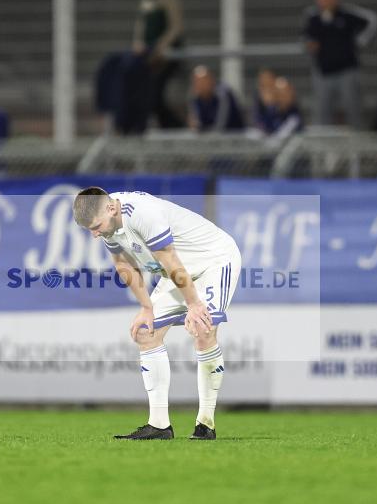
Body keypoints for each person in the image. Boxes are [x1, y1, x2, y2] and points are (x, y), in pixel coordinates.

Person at [72, 187, 242, 440]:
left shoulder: (142, 213)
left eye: (96, 227)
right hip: (176, 271)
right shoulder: (109, 221)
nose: (95, 234)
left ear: (111, 208)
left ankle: (205, 424)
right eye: (90, 230)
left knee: (203, 329)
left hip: (213, 262)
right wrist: (146, 308)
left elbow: (170, 258)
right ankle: (159, 425)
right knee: (145, 332)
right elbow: (123, 264)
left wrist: (194, 304)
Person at [303, 0, 377, 127]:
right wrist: (309, 45)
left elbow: (373, 20)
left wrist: (361, 40)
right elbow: (305, 37)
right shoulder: (312, 17)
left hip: (347, 71)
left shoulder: (347, 14)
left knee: (353, 111)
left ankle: (357, 147)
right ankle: (325, 149)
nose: (326, 0)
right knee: (322, 113)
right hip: (323, 73)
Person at [132, 0, 185, 128]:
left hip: (167, 56)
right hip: (149, 56)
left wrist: (160, 47)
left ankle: (177, 127)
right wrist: (138, 44)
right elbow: (141, 24)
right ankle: (169, 127)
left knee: (156, 95)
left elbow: (176, 27)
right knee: (150, 97)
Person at [188, 65, 245, 132]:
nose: (200, 85)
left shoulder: (223, 95)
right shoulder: (195, 98)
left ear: (212, 80)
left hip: (234, 135)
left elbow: (220, 126)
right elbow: (196, 124)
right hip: (212, 137)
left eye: (204, 81)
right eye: (197, 82)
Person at [252, 68, 278, 133]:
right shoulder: (257, 96)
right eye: (263, 78)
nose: (266, 81)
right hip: (262, 131)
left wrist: (271, 105)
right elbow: (256, 117)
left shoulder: (280, 93)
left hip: (279, 129)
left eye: (268, 78)